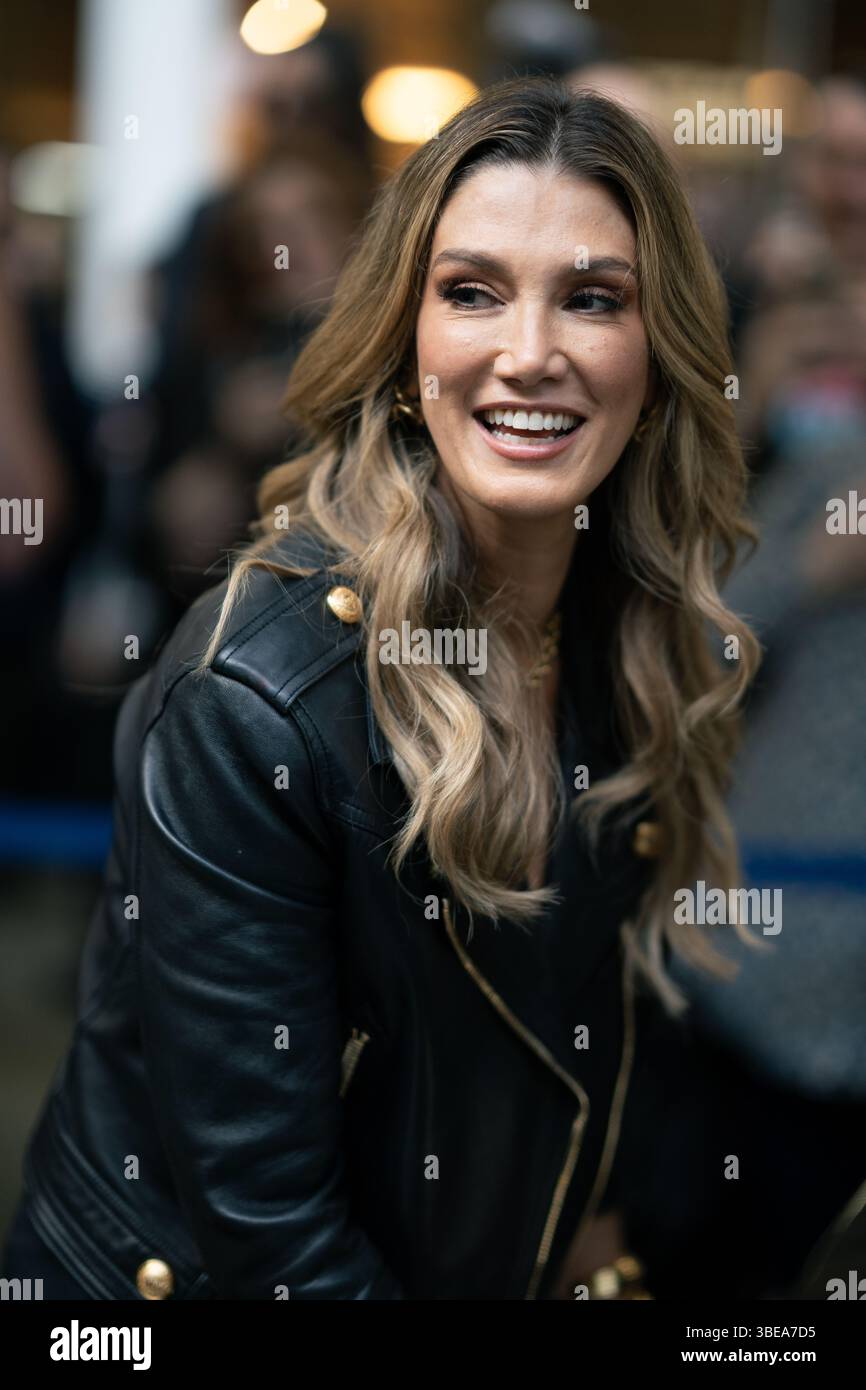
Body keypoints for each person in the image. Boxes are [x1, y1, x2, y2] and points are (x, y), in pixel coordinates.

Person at [1, 78, 759, 1300]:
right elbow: (275, 1244)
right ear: (404, 344)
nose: (528, 354)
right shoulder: (253, 694)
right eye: (470, 293)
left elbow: (575, 1068)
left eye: (591, 298)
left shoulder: (630, 635)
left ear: (656, 352)